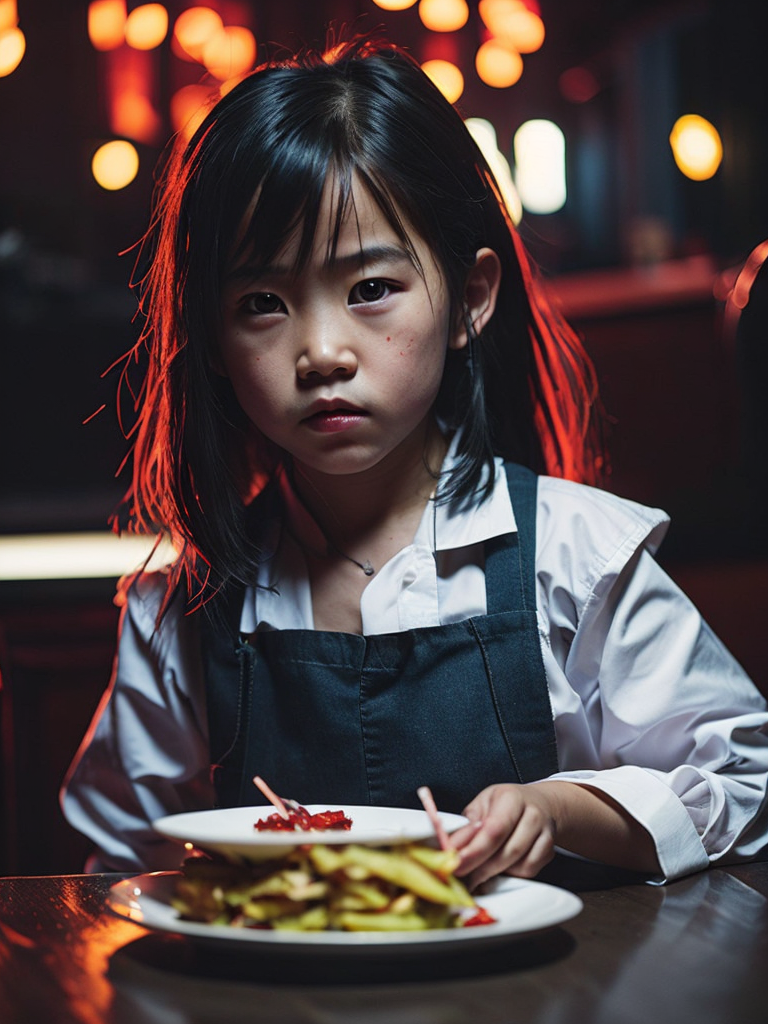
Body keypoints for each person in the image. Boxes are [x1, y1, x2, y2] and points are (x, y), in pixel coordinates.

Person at [62, 35, 768, 888]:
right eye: (262, 303)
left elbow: (744, 784)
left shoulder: (574, 560)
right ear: (211, 338)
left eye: (369, 290)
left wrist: (560, 808)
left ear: (469, 299)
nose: (321, 351)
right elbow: (122, 867)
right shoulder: (187, 608)